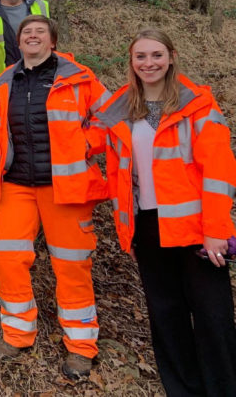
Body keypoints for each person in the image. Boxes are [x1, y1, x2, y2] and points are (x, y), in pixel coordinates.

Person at [97, 28, 236, 395]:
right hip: (147, 225)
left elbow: (220, 172)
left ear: (171, 57)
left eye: (156, 55)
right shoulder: (122, 109)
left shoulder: (199, 106)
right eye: (140, 56)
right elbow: (110, 165)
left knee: (213, 316)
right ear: (131, 62)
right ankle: (182, 389)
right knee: (165, 313)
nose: (149, 63)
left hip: (196, 227)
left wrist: (216, 229)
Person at [0, 15, 109, 379]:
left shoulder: (78, 77)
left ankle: (81, 347)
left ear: (52, 40)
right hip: (15, 186)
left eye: (40, 32)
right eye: (26, 33)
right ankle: (18, 334)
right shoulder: (5, 81)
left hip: (65, 189)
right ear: (18, 43)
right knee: (5, 259)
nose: (32, 36)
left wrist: (86, 143)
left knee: (71, 265)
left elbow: (108, 118)